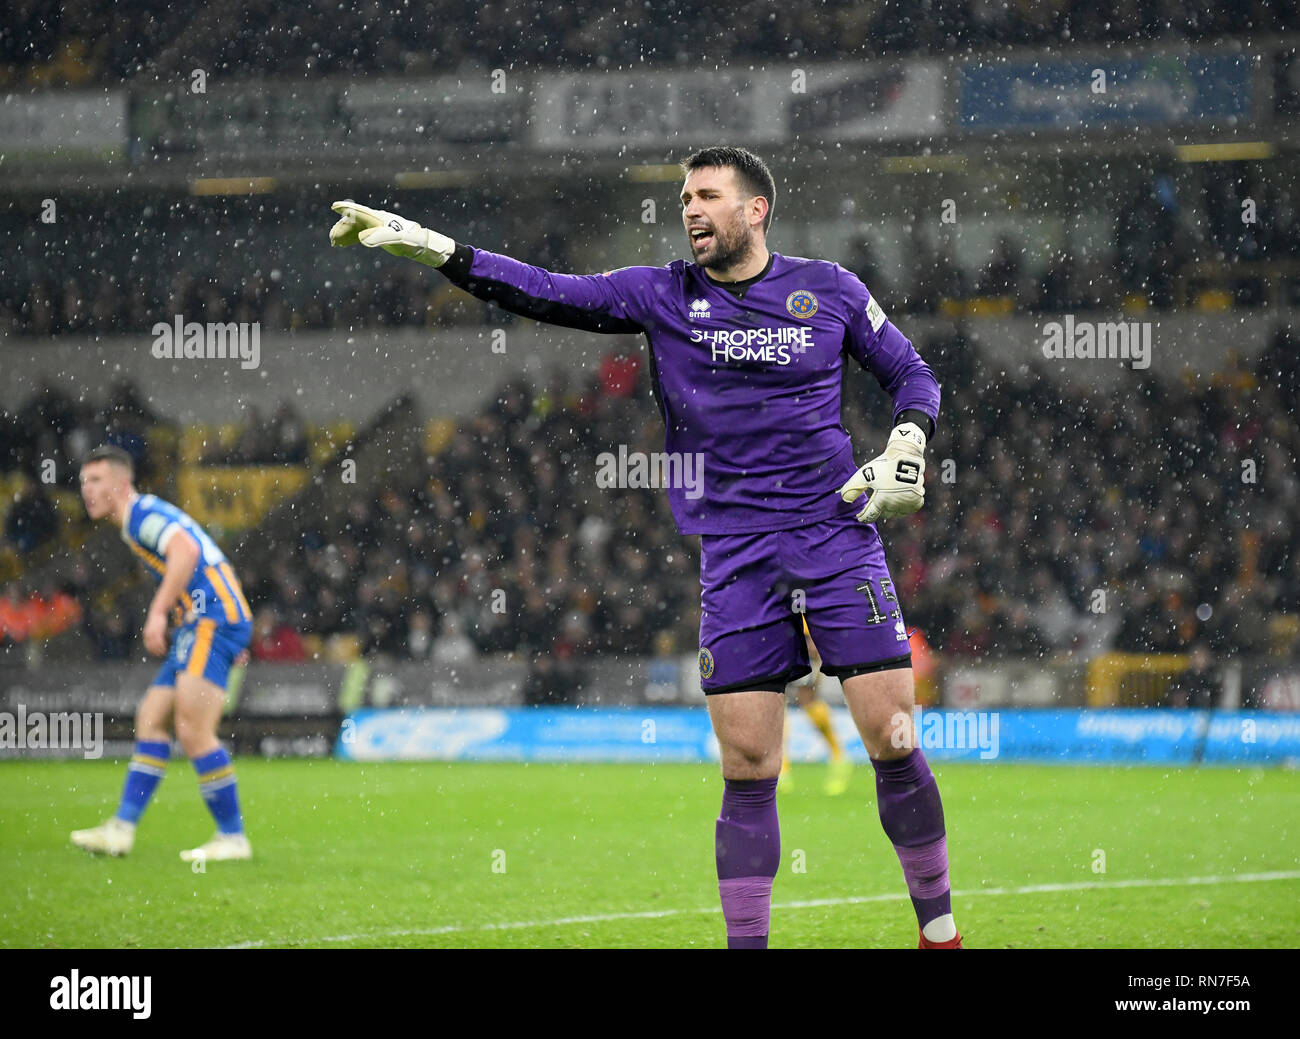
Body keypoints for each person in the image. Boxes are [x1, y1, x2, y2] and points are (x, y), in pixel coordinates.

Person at [327, 145, 959, 949]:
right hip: (732, 552)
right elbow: (546, 292)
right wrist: (437, 248)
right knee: (748, 763)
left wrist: (908, 441)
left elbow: (914, 374)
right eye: (684, 198)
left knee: (894, 739)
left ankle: (939, 933)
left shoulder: (829, 288)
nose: (690, 210)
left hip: (836, 534)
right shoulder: (662, 293)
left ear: (755, 209)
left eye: (707, 196)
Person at [69, 445, 254, 862]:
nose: (87, 491)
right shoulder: (141, 517)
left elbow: (186, 552)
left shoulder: (142, 517)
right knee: (151, 720)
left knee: (192, 730)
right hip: (205, 621)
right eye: (83, 482)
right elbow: (209, 557)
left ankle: (233, 837)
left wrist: (157, 613)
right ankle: (121, 829)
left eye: (96, 481)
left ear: (121, 484)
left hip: (211, 619)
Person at [778, 616, 853, 796]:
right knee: (783, 700)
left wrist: (812, 641)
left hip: (798, 645)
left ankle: (837, 757)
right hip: (787, 642)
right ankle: (782, 767)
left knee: (800, 700)